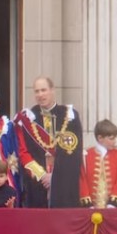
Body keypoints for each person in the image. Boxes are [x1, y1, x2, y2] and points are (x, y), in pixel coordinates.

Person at [15, 76, 84, 208]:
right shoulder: (28, 118)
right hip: (37, 184)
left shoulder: (69, 115)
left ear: (52, 90)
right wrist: (42, 175)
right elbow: (23, 152)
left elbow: (74, 152)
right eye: (37, 91)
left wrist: (55, 176)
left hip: (64, 184)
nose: (40, 95)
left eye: (43, 90)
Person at [80, 120, 117, 208]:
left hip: (112, 206)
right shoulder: (86, 155)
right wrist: (87, 202)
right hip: (91, 207)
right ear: (100, 138)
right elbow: (82, 180)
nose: (114, 142)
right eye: (111, 139)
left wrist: (113, 202)